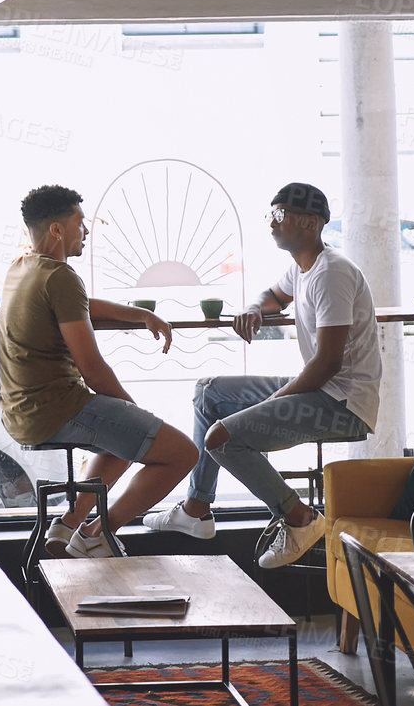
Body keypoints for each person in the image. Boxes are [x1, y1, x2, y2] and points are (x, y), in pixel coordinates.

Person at [145, 182, 381, 570]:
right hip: (324, 389)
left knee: (221, 438)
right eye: (269, 215)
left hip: (343, 403)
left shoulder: (332, 274)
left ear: (308, 222)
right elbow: (274, 295)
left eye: (278, 215)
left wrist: (277, 400)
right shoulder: (303, 267)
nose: (270, 223)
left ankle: (299, 518)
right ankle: (196, 509)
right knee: (209, 392)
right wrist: (254, 308)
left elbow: (327, 364)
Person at [0, 184, 200, 559]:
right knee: (183, 453)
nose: (86, 231)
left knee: (125, 436)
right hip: (58, 410)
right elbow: (92, 369)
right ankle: (97, 533)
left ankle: (68, 524)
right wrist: (132, 411)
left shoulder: (21, 268)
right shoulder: (61, 277)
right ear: (57, 229)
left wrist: (138, 313)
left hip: (18, 412)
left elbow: (78, 303)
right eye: (80, 222)